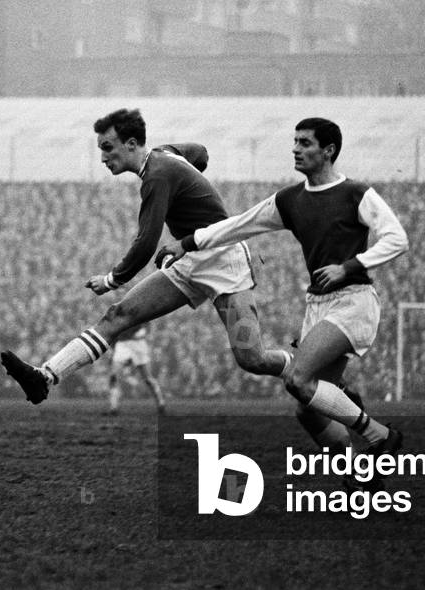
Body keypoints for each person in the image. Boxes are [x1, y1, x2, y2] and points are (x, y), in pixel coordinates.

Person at [160, 117, 409, 465]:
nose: (296, 149)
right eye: (295, 142)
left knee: (298, 379)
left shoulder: (355, 193)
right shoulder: (291, 199)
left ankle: (379, 435)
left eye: (305, 143)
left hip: (354, 302)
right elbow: (239, 225)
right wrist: (187, 242)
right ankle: (360, 472)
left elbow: (397, 238)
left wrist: (349, 266)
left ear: (329, 150)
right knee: (308, 411)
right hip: (318, 305)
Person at [0, 108, 291, 403]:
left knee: (253, 359)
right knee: (118, 315)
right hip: (189, 258)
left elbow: (146, 243)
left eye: (107, 147)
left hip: (225, 263)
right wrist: (191, 182)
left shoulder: (157, 176)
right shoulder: (165, 157)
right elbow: (200, 153)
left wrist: (111, 280)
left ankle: (304, 368)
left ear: (130, 144)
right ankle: (45, 377)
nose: (102, 157)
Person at [104, 324, 165, 415]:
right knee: (114, 376)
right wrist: (113, 347)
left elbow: (148, 322)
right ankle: (114, 407)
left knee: (147, 378)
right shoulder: (116, 311)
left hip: (137, 343)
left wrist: (145, 331)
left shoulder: (139, 310)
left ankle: (161, 402)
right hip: (122, 344)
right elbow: (113, 327)